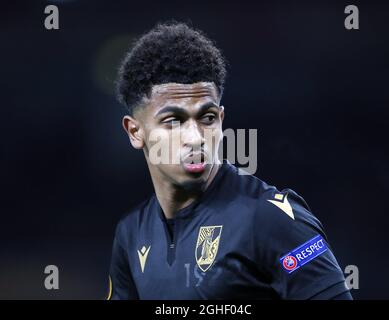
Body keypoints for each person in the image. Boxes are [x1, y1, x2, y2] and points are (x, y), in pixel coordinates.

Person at [107, 22, 352, 300]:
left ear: (221, 120)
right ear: (135, 131)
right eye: (173, 121)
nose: (196, 137)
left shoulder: (268, 219)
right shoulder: (131, 234)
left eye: (207, 118)